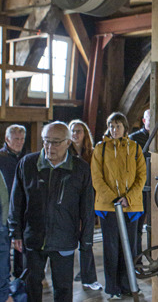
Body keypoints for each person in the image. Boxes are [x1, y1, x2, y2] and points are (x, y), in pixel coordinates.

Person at [8, 122, 95, 302]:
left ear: (68, 142)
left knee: (63, 288)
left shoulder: (80, 168)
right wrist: (15, 232)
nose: (49, 147)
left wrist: (86, 241)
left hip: (64, 239)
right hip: (34, 238)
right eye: (46, 141)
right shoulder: (28, 164)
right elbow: (16, 202)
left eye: (56, 142)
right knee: (32, 285)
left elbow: (87, 208)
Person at [91, 112, 146, 299]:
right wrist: (114, 199)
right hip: (108, 207)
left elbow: (141, 177)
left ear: (125, 128)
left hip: (131, 206)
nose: (114, 130)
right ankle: (112, 288)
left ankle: (127, 285)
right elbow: (97, 178)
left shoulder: (135, 148)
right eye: (111, 126)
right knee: (111, 248)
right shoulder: (100, 149)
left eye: (118, 126)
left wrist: (127, 198)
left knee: (129, 248)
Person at [68, 120, 103, 291]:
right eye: (73, 131)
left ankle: (88, 277)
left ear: (85, 134)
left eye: (79, 131)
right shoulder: (65, 153)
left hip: (88, 200)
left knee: (87, 240)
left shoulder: (92, 154)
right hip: (69, 202)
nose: (75, 134)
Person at [0, 125, 27, 278]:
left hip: (20, 209)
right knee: (4, 248)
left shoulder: (25, 158)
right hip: (4, 209)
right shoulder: (1, 158)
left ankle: (19, 278)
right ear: (7, 139)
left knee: (20, 245)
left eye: (22, 139)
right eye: (16, 139)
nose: (19, 142)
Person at [128, 109, 151, 260]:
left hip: (156, 189)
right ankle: (137, 261)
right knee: (136, 228)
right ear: (144, 121)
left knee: (155, 227)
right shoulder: (134, 139)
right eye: (150, 118)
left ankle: (155, 258)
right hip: (140, 190)